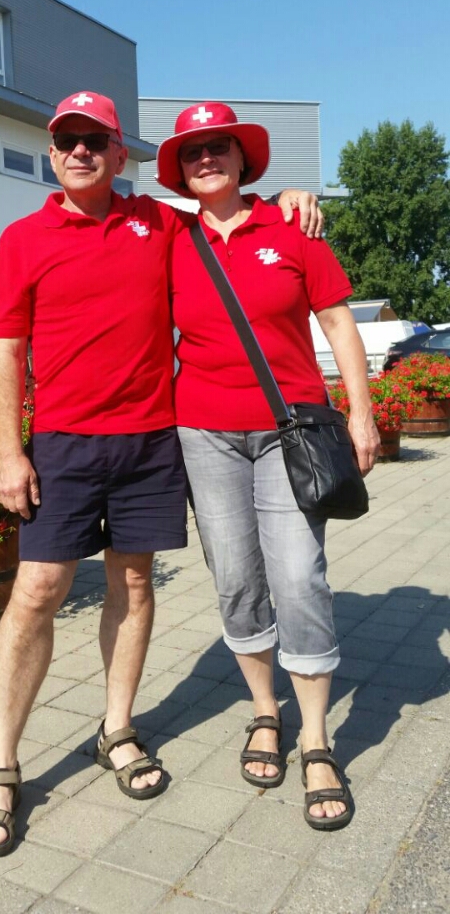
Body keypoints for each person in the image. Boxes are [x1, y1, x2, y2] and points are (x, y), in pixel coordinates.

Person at [0, 90, 323, 856]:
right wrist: (8, 451)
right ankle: (1, 763)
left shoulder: (159, 222)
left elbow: (229, 210)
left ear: (119, 153)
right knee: (38, 590)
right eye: (68, 139)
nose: (81, 150)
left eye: (96, 139)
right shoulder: (22, 238)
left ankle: (117, 728)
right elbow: (6, 352)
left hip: (152, 439)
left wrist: (289, 198)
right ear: (52, 152)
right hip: (62, 443)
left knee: (132, 583)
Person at [156, 101, 380, 831]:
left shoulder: (292, 227)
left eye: (218, 147)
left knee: (299, 575)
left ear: (242, 158)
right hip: (205, 432)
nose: (206, 159)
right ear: (181, 170)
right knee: (236, 577)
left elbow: (338, 320)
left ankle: (315, 738)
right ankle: (264, 710)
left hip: (291, 430)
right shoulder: (171, 237)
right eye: (193, 152)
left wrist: (361, 412)